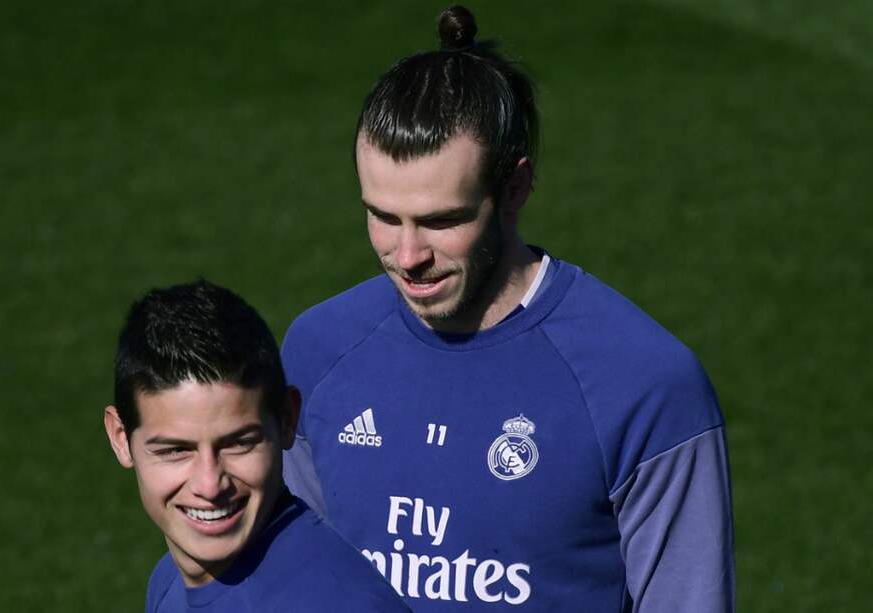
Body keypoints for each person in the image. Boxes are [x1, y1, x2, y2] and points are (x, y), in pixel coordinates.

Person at [282, 5, 735, 612]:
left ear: (515, 188)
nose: (407, 255)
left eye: (443, 220)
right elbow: (295, 583)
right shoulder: (318, 350)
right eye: (383, 216)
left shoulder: (645, 384)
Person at [103, 280, 410, 612]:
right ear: (121, 437)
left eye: (239, 444)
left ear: (288, 420)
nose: (209, 485)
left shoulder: (343, 604)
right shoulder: (169, 580)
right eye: (175, 451)